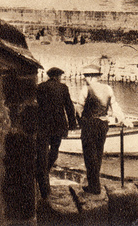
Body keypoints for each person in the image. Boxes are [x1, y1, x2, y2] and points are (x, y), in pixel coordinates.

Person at [75, 64, 131, 194]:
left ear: (90, 77)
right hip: (103, 125)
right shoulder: (108, 88)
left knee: (89, 155)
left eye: (86, 76)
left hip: (90, 125)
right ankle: (95, 184)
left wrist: (80, 122)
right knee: (98, 155)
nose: (85, 79)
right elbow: (115, 106)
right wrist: (123, 119)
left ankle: (94, 187)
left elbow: (79, 109)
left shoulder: (86, 89)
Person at [35, 67, 77, 201]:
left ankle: (42, 175)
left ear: (49, 76)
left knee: (42, 152)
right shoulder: (63, 88)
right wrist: (72, 124)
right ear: (58, 76)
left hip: (43, 124)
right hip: (58, 125)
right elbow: (69, 107)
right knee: (54, 151)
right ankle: (45, 172)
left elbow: (36, 105)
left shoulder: (40, 87)